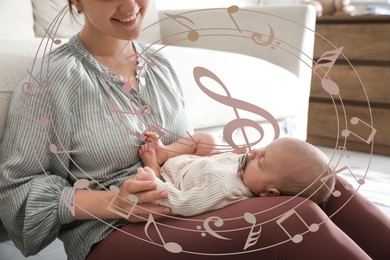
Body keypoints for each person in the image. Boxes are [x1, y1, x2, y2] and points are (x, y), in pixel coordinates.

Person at [0, 0, 389, 259]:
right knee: (295, 217)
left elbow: (182, 150)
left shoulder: (160, 68)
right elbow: (15, 193)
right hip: (114, 234)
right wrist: (114, 202)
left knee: (323, 181)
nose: (131, 5)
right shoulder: (51, 80)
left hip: (196, 202)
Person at [138, 132, 335, 216]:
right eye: (264, 148)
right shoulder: (247, 171)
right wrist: (222, 156)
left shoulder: (224, 190)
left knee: (152, 181)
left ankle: (156, 166)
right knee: (207, 138)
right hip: (192, 163)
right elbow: (216, 160)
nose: (255, 152)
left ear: (270, 193)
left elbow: (182, 203)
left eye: (262, 160)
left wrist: (156, 181)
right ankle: (165, 151)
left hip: (173, 178)